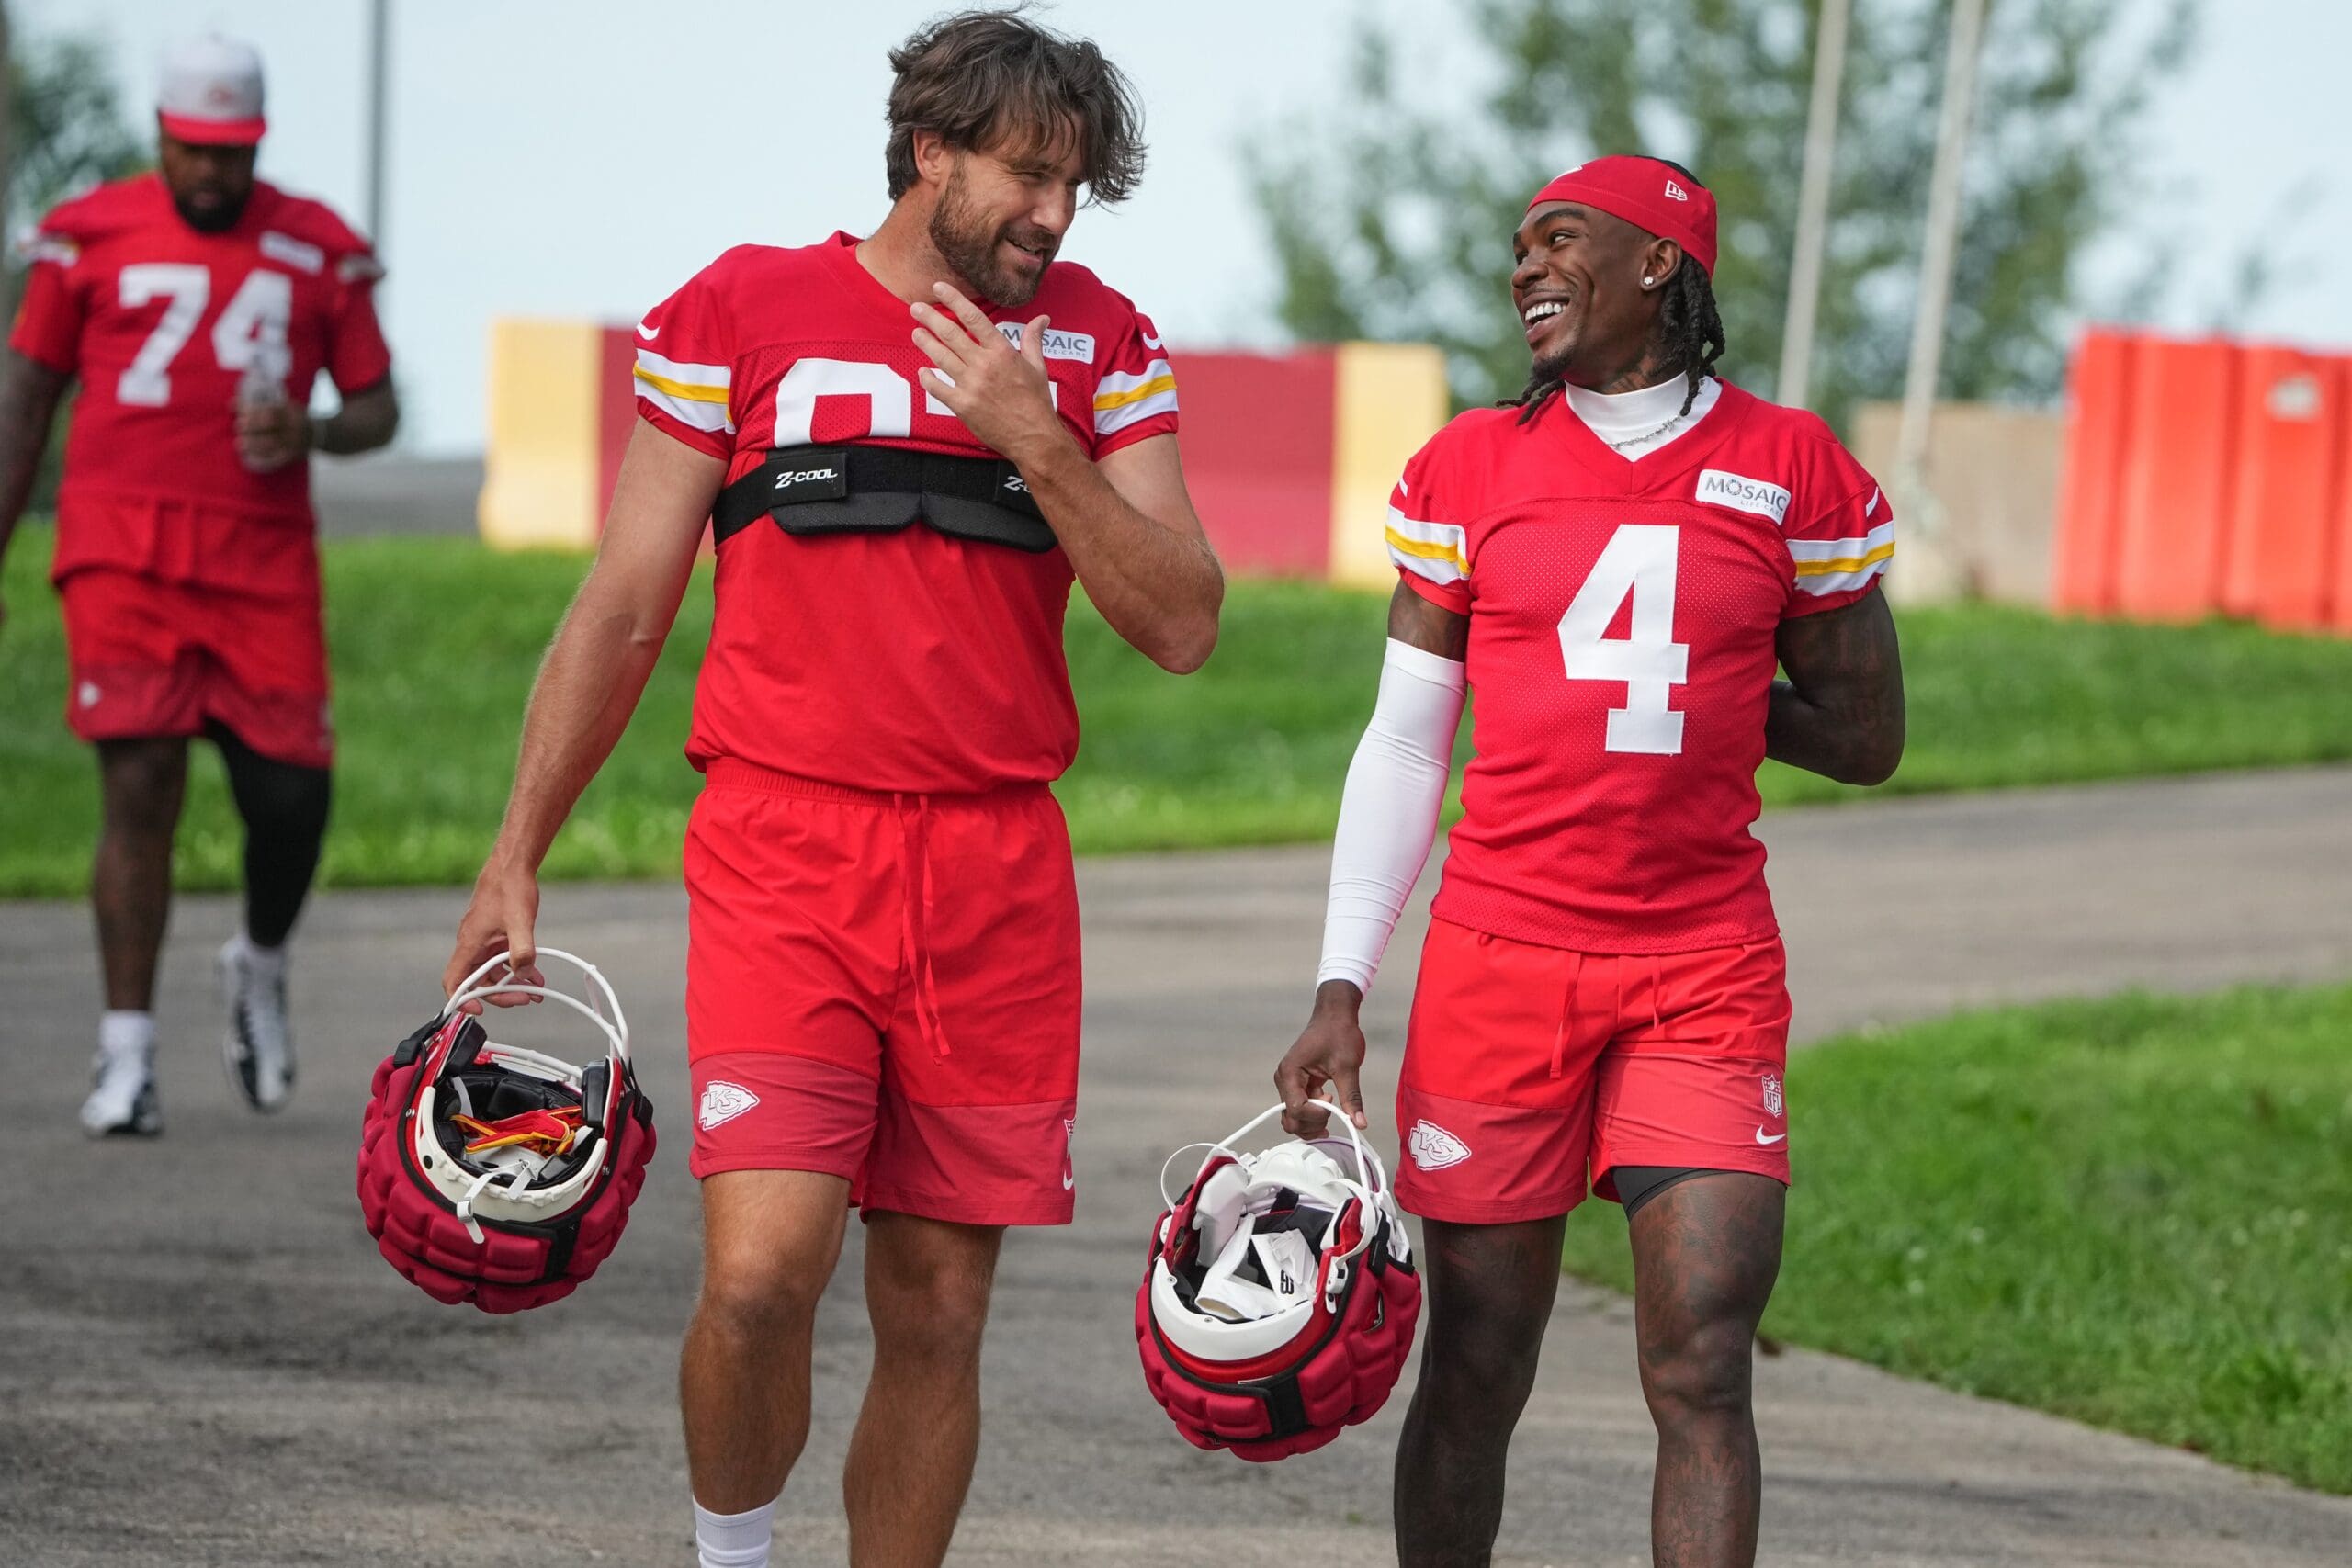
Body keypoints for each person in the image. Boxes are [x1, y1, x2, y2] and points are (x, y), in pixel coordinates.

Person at [438, 13, 1220, 1568]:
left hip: (996, 874)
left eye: (1076, 190)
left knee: (935, 1306)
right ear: (931, 150)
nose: (1053, 216)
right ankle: (734, 1554)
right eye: (1027, 174)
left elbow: (1183, 617)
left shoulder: (1103, 343)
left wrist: (1033, 437)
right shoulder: (739, 311)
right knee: (759, 1276)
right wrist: (514, 849)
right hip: (784, 848)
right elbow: (624, 605)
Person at [1274, 156, 1905, 1568]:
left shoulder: (1794, 464)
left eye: (1559, 240)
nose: (1524, 268)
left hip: (1702, 966)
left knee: (1702, 1365)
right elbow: (1403, 744)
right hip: (1502, 960)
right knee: (1480, 1369)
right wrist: (1340, 981)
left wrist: (1720, 689)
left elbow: (1866, 736)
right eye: (1516, 247)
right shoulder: (1470, 465)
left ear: (1660, 264)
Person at [0, 35, 399, 1136]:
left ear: (258, 142)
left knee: (292, 801)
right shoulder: (86, 237)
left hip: (261, 557)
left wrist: (313, 425)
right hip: (122, 546)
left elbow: (377, 407)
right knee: (140, 789)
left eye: (234, 153)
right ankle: (126, 1053)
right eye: (195, 152)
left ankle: (258, 960)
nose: (214, 174)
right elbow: (25, 403)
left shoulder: (317, 248)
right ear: (161, 137)